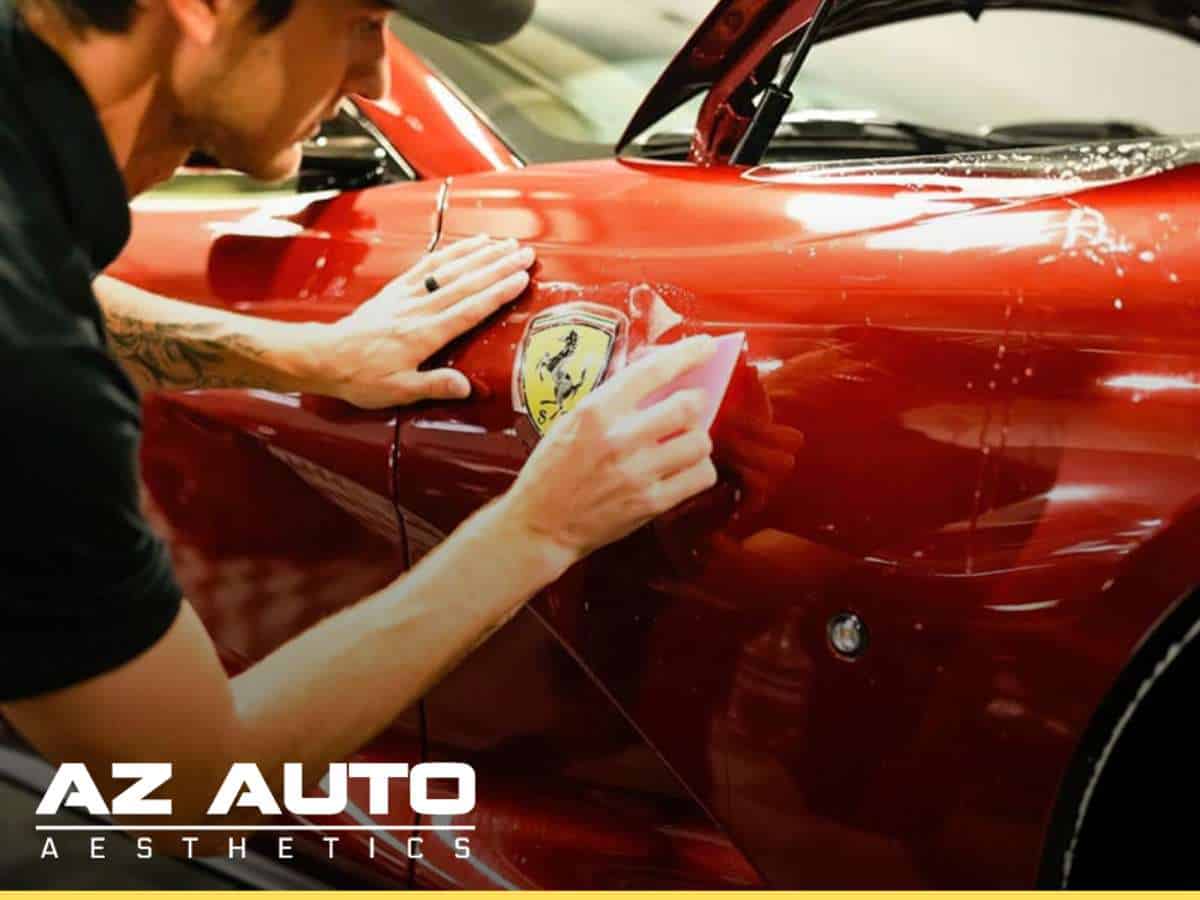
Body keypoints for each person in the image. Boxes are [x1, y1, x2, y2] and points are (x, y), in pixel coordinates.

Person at [0, 0, 718, 849]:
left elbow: (55, 287)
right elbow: (180, 786)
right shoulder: (31, 377)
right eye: (360, 21)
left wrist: (305, 356)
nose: (373, 75)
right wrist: (539, 529)